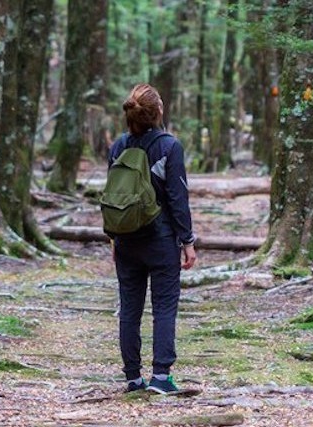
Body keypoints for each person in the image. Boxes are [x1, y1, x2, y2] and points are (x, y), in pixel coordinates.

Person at [109, 84, 198, 394]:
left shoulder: (118, 147)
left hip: (126, 240)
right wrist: (187, 241)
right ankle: (161, 377)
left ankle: (133, 378)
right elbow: (177, 198)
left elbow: (113, 198)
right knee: (164, 307)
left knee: (129, 309)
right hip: (160, 240)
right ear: (158, 111)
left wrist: (113, 239)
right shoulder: (169, 147)